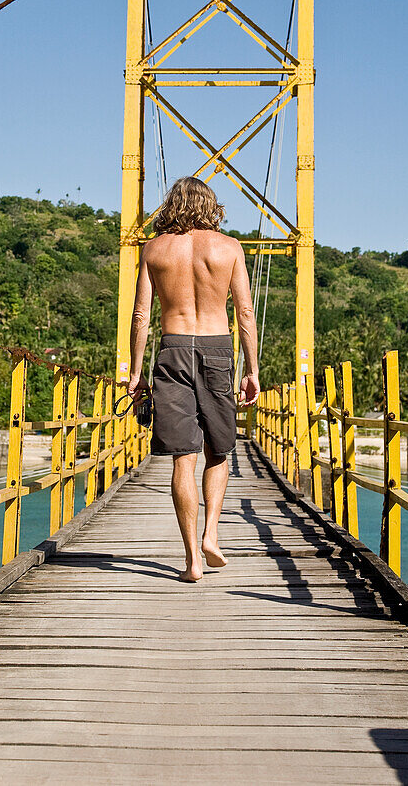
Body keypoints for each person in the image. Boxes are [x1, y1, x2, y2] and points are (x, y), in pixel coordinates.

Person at [127, 176, 260, 582]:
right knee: (219, 451)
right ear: (211, 205)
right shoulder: (229, 248)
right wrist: (252, 370)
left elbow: (141, 318)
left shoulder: (154, 249)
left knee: (184, 457)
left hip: (172, 348)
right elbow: (245, 314)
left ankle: (191, 562)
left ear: (172, 204)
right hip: (218, 349)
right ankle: (211, 535)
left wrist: (136, 373)